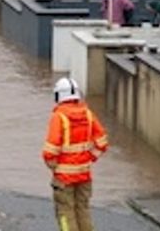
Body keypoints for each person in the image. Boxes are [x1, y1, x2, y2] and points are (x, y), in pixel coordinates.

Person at [42, 78, 109, 231]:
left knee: (66, 213)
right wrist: (89, 158)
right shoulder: (88, 114)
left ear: (59, 96)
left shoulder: (59, 117)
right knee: (83, 210)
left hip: (64, 179)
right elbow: (102, 142)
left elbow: (49, 152)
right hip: (84, 175)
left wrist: (55, 168)